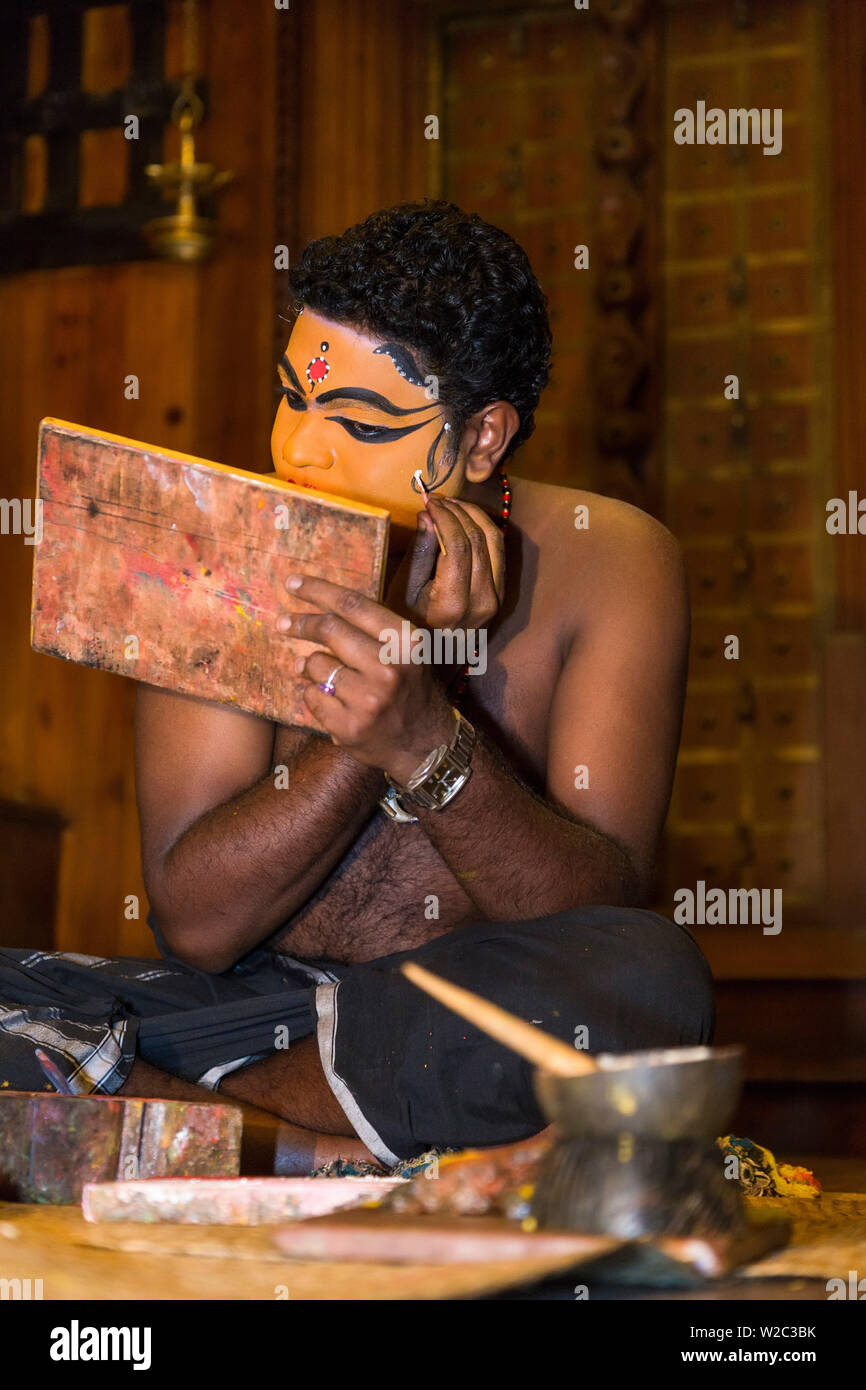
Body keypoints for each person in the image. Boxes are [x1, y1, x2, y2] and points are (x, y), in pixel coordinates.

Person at [0, 201, 713, 1173]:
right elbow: (199, 928)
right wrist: (369, 713)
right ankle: (325, 1148)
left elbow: (592, 915)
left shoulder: (611, 562)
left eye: (358, 420)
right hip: (242, 1015)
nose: (300, 449)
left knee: (645, 981)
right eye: (292, 397)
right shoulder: (218, 548)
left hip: (455, 1018)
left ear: (481, 440)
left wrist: (424, 738)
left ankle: (174, 1124)